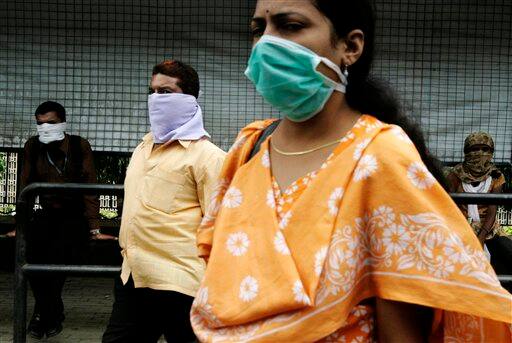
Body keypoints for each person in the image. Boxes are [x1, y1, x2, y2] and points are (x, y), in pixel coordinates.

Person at [190, 1, 512, 342]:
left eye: (290, 26)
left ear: (351, 47)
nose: (266, 43)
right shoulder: (248, 149)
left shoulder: (379, 158)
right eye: (259, 29)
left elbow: (401, 331)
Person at [102, 60, 226, 343]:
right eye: (152, 90)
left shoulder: (208, 158)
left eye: (166, 92)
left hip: (182, 284)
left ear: (189, 99)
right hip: (134, 276)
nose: (156, 99)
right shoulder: (144, 147)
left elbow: (221, 226)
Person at [8, 101, 114, 339]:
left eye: (51, 123)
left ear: (63, 123)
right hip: (45, 214)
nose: (45, 128)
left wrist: (95, 227)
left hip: (73, 216)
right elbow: (25, 188)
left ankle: (42, 318)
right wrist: (20, 227)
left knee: (56, 263)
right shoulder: (33, 146)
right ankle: (50, 314)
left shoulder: (79, 145)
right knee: (33, 262)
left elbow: (89, 186)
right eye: (40, 123)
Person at [447, 132, 512, 287]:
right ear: (466, 151)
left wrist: (481, 238)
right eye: (475, 149)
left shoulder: (496, 176)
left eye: (485, 149)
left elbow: (492, 210)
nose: (480, 153)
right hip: (461, 228)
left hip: (489, 230)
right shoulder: (455, 175)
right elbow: (451, 207)